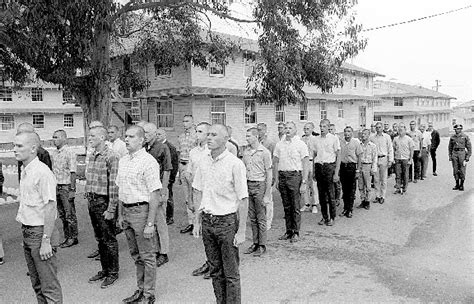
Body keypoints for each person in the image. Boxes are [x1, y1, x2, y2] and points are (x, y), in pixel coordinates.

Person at [192, 124, 248, 304]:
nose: (209, 138)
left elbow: (243, 199)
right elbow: (198, 191)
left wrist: (241, 231)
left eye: (214, 135)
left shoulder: (235, 164)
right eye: (207, 134)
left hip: (227, 223)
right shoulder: (203, 161)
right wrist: (197, 222)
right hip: (208, 222)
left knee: (231, 273)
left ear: (225, 139)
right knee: (215, 270)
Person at [14, 131, 63, 303]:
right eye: (15, 145)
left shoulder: (42, 173)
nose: (14, 150)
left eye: (19, 146)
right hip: (28, 232)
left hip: (40, 233)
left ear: (33, 148)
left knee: (49, 286)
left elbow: (50, 208)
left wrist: (46, 240)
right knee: (37, 285)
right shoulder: (26, 170)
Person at [116, 125, 162, 304]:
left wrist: (150, 224)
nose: (126, 139)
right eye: (125, 136)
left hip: (141, 212)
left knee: (147, 256)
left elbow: (155, 194)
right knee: (136, 255)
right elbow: (121, 190)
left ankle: (149, 294)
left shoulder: (148, 162)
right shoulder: (123, 160)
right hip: (127, 212)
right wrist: (120, 215)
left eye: (131, 136)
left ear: (141, 140)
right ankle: (140, 289)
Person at [85, 126, 120, 288]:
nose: (89, 138)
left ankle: (113, 272)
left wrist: (111, 208)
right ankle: (105, 269)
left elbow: (114, 185)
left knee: (109, 239)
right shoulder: (93, 155)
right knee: (100, 238)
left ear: (101, 137)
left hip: (104, 203)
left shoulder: (111, 157)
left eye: (92, 136)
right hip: (93, 203)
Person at [274, 121, 309, 241]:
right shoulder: (279, 144)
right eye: (286, 128)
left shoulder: (301, 144)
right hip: (282, 175)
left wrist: (304, 181)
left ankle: (296, 232)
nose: (287, 130)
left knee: (295, 206)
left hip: (295, 176)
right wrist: (277, 179)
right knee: (286, 206)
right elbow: (276, 162)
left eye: (290, 128)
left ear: (295, 130)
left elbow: (305, 163)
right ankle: (288, 231)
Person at [143, 123, 171, 267]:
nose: (145, 135)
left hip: (158, 189)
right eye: (144, 132)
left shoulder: (162, 147)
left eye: (148, 132)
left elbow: (167, 170)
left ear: (154, 133)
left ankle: (164, 253)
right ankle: (154, 250)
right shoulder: (144, 148)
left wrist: (163, 191)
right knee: (150, 221)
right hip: (146, 190)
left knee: (160, 222)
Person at [242, 128, 272, 256]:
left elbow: (269, 173)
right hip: (249, 184)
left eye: (249, 136)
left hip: (260, 184)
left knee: (261, 217)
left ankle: (262, 244)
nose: (247, 138)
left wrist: (267, 194)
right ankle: (255, 242)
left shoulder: (264, 152)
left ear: (256, 137)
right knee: (252, 217)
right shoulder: (246, 152)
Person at [188, 122, 212, 279]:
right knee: (203, 231)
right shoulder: (193, 152)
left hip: (211, 195)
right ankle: (208, 261)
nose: (197, 134)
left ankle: (215, 265)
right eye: (196, 131)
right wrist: (191, 197)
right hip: (198, 192)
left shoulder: (212, 151)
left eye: (201, 131)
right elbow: (190, 174)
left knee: (212, 231)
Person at [310, 119, 341, 226]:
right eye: (321, 126)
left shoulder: (334, 138)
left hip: (329, 167)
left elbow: (338, 156)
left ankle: (332, 217)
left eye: (324, 126)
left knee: (330, 193)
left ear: (328, 127)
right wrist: (314, 171)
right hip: (319, 167)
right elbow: (314, 155)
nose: (322, 128)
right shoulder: (316, 139)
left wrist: (336, 173)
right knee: (321, 194)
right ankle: (324, 216)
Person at [51, 129, 78, 249]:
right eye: (53, 137)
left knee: (69, 213)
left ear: (63, 138)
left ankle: (73, 237)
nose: (54, 140)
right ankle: (67, 236)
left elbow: (73, 172)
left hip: (66, 186)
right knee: (62, 214)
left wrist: (72, 189)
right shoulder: (55, 153)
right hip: (57, 186)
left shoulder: (69, 152)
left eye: (56, 137)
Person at [177, 115, 198, 232]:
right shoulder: (181, 137)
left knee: (195, 195)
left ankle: (197, 223)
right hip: (183, 166)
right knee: (186, 197)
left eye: (187, 121)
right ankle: (191, 222)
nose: (185, 123)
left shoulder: (196, 136)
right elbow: (180, 155)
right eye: (183, 121)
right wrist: (179, 173)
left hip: (193, 167)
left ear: (192, 122)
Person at [156, 128, 179, 225]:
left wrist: (171, 178)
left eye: (160, 134)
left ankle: (170, 217)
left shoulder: (170, 147)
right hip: (159, 177)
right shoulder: (157, 147)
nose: (158, 136)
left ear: (165, 135)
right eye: (156, 134)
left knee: (168, 197)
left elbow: (174, 164)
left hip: (168, 177)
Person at [339, 126, 362, 218]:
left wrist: (358, 170)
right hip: (343, 167)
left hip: (352, 167)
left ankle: (350, 209)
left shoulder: (356, 143)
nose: (346, 133)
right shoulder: (340, 142)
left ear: (352, 133)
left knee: (351, 189)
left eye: (348, 131)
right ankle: (345, 208)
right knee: (344, 189)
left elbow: (360, 156)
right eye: (345, 131)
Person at [257, 123, 276, 230]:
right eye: (257, 130)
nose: (259, 132)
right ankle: (261, 219)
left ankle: (268, 221)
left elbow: (273, 160)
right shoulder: (256, 142)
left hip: (267, 172)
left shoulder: (270, 143)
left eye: (260, 130)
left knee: (268, 198)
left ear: (265, 130)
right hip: (259, 174)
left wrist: (272, 176)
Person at [370, 122, 394, 205]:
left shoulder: (387, 137)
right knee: (376, 179)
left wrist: (390, 160)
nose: (378, 129)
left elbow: (390, 148)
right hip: (375, 159)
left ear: (382, 128)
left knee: (383, 179)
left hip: (384, 159)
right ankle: (377, 195)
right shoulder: (372, 137)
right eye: (376, 127)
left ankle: (382, 196)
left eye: (380, 127)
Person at [300, 122, 318, 214]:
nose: (306, 130)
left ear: (312, 129)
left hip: (312, 162)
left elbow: (316, 154)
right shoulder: (301, 139)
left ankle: (314, 204)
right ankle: (307, 203)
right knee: (304, 183)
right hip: (303, 163)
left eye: (308, 129)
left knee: (313, 184)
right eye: (305, 129)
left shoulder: (315, 139)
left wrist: (315, 167)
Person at [358, 129, 378, 210]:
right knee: (360, 185)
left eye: (365, 134)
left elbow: (374, 158)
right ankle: (362, 200)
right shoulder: (358, 145)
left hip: (368, 165)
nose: (363, 135)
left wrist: (373, 168)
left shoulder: (372, 146)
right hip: (360, 165)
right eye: (362, 134)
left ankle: (367, 201)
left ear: (368, 135)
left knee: (368, 185)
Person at [448, 124, 472, 191]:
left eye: (459, 129)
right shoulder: (452, 137)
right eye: (456, 129)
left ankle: (462, 185)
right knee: (455, 169)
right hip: (454, 153)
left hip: (462, 153)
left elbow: (469, 147)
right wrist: (450, 156)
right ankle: (457, 184)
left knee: (462, 169)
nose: (457, 130)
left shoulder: (465, 136)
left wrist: (467, 157)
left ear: (461, 129)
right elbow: (450, 147)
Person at [393, 124, 414, 194]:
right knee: (398, 174)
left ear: (405, 130)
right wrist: (393, 158)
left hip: (405, 159)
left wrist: (410, 159)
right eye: (399, 130)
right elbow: (393, 149)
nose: (400, 131)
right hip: (397, 158)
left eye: (401, 130)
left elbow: (411, 150)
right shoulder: (395, 139)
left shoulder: (409, 139)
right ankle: (398, 187)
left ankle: (405, 188)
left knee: (405, 174)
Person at [329, 124, 342, 206]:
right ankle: (330, 198)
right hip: (329, 164)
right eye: (329, 129)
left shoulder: (337, 139)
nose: (330, 131)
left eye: (331, 129)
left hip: (336, 163)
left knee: (336, 182)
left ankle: (337, 198)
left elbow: (338, 154)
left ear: (335, 130)